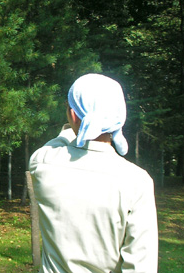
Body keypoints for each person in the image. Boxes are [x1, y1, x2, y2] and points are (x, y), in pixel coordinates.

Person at [29, 74, 158, 273]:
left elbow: (61, 139)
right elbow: (142, 266)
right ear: (119, 118)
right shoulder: (138, 182)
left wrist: (77, 126)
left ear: (72, 115)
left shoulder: (44, 163)